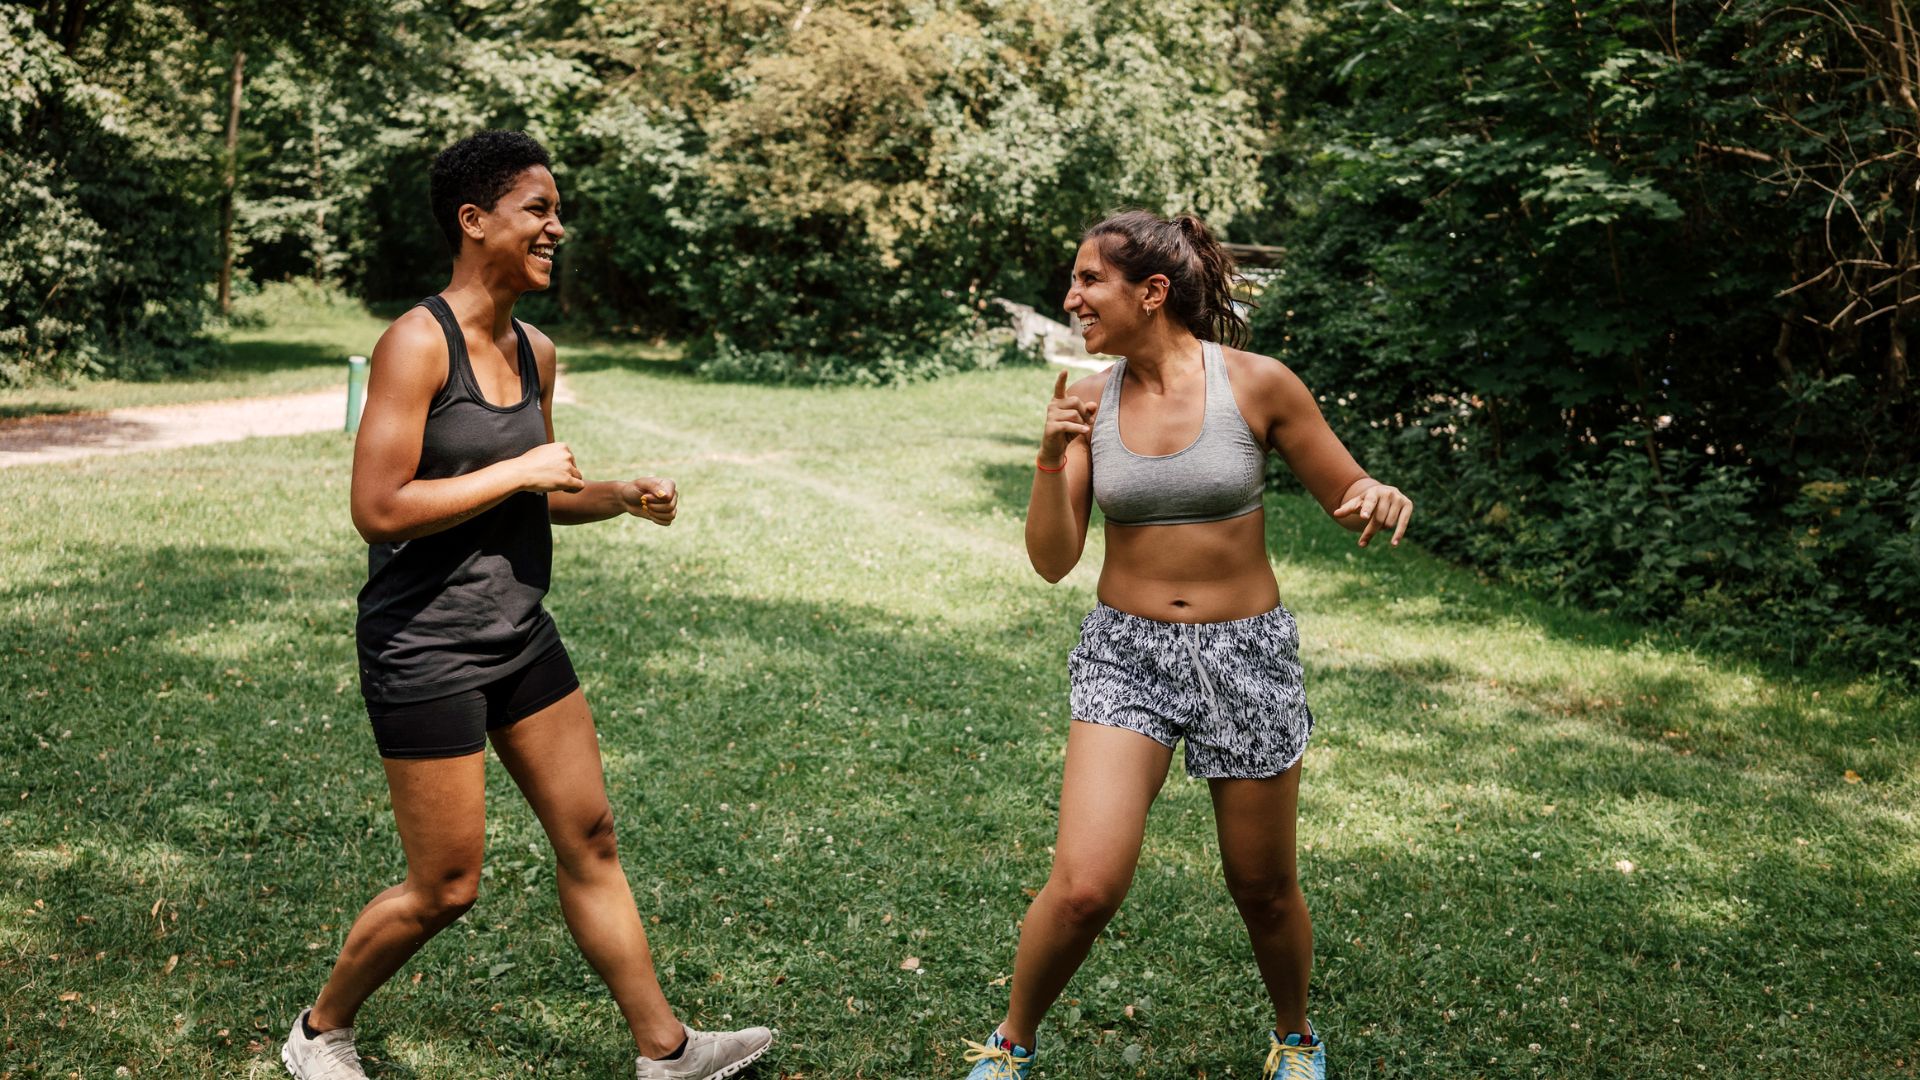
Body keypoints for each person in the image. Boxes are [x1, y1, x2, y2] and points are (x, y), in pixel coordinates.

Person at [281, 130, 771, 1080]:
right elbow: (376, 509)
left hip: (519, 630)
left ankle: (666, 1052)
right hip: (423, 646)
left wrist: (622, 494)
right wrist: (520, 469)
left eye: (556, 210)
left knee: (591, 835)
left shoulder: (533, 348)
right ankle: (319, 1030)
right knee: (447, 886)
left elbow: (538, 491)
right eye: (538, 210)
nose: (558, 227)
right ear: (476, 221)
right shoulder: (415, 343)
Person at [958, 210, 1413, 1080]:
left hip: (1247, 656)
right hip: (1124, 653)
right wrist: (1051, 459)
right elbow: (1053, 561)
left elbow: (1347, 489)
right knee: (1086, 885)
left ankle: (1295, 1038)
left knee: (1263, 888)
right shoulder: (1086, 398)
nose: (1073, 295)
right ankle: (1011, 1046)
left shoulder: (1258, 385)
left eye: (1090, 279)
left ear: (1152, 292)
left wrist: (1379, 495)